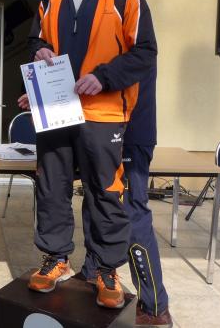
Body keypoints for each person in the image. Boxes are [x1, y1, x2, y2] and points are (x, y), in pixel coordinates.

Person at [25, 0, 157, 309]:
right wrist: (39, 51)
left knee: (104, 192)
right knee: (51, 187)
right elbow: (35, 41)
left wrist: (104, 77)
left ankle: (104, 268)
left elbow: (145, 52)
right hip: (57, 111)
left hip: (104, 114)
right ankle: (56, 259)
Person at [80, 65, 173, 327]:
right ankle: (93, 272)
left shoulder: (134, 41)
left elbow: (118, 73)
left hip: (128, 133)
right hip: (100, 129)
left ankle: (155, 308)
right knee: (97, 200)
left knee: (131, 212)